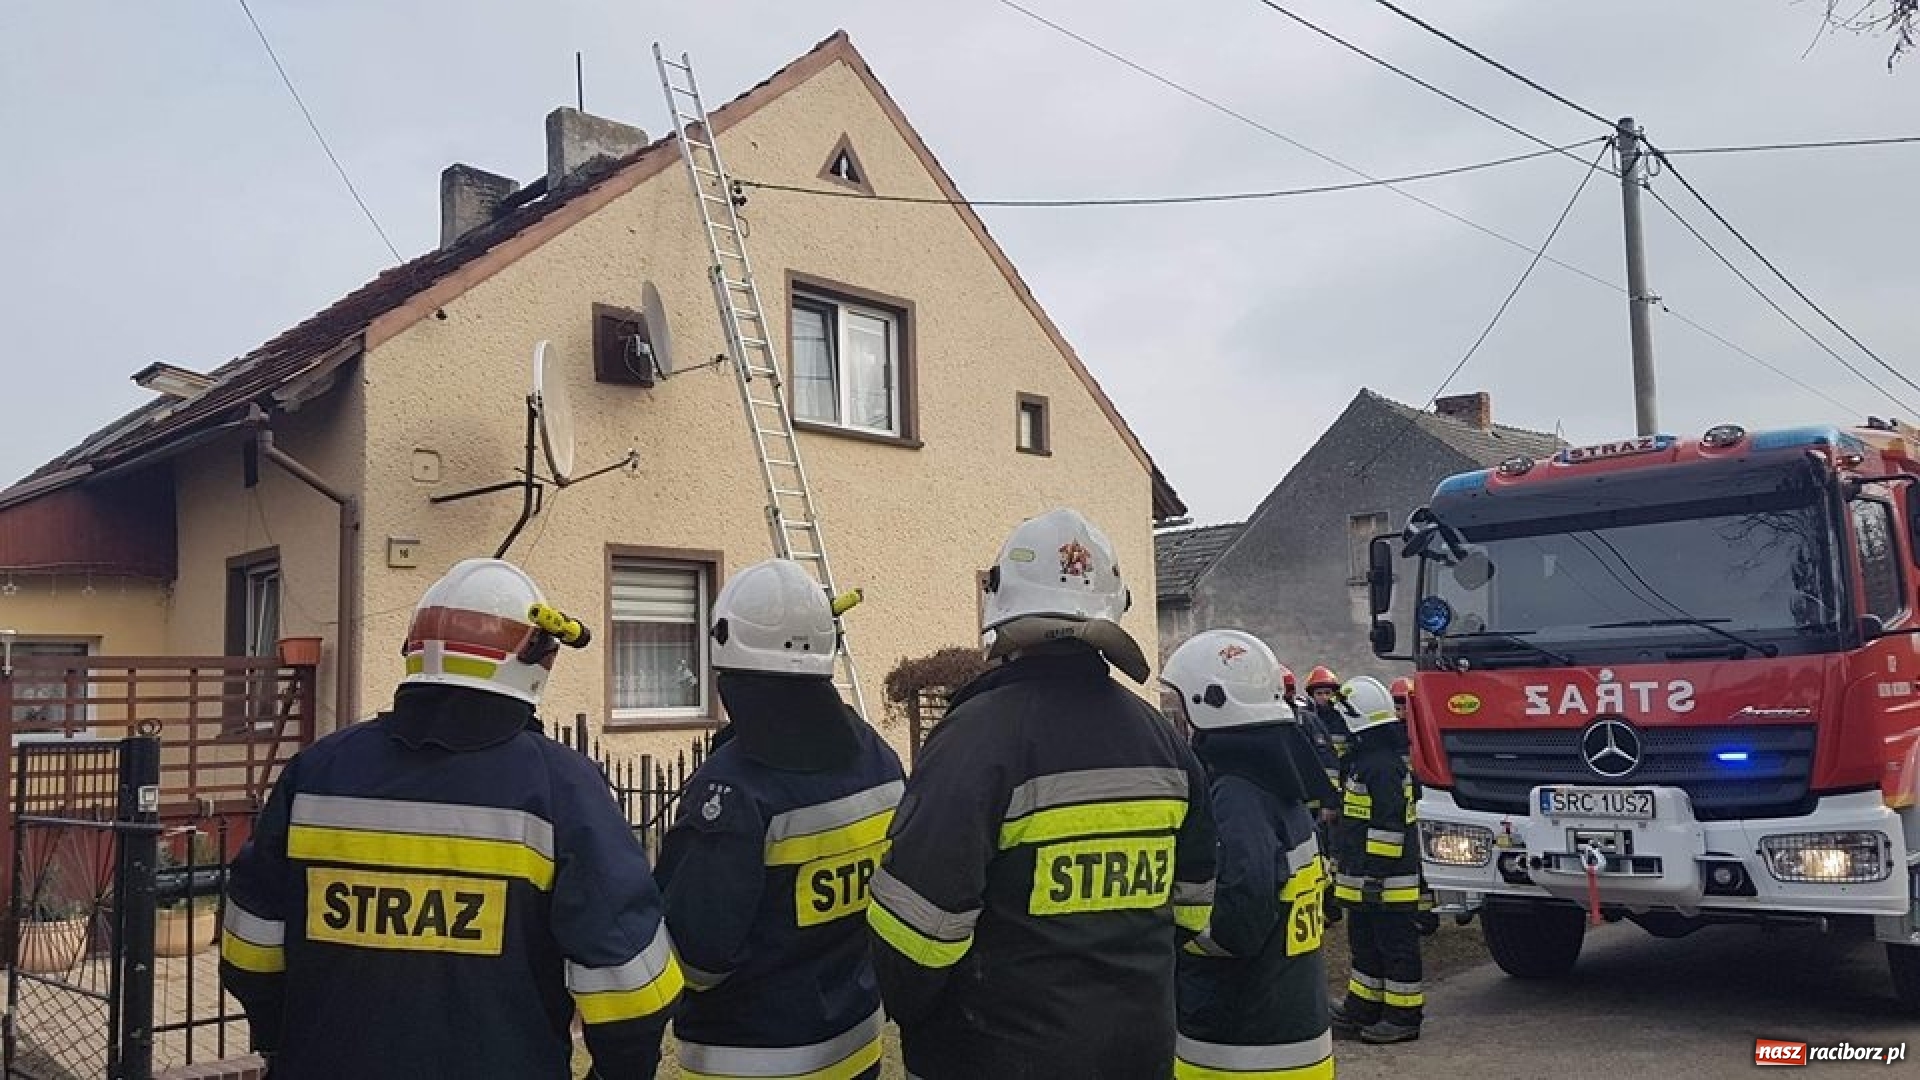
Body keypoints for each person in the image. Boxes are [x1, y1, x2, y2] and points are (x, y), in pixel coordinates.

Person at [220, 558, 681, 1079]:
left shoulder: (318, 770)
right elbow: (629, 986)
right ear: (531, 659)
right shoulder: (560, 787)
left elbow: (251, 949)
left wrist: (282, 1042)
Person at [867, 507, 1218, 1080]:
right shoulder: (1162, 740)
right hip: (1139, 1050)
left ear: (1003, 608)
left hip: (994, 1053)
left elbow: (917, 930)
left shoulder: (975, 738)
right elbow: (1194, 907)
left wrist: (923, 1018)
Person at [654, 559, 905, 1080]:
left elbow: (697, 958)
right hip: (856, 1044)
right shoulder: (879, 758)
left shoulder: (733, 787)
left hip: (748, 1057)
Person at [1161, 630, 1338, 1080]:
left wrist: (1170, 933)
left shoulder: (1237, 795)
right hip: (1294, 1034)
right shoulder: (1282, 787)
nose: (1177, 719)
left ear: (1207, 705)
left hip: (1237, 1048)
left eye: (1179, 706)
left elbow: (1238, 921)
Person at [1327, 675, 1425, 1045]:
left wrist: (1375, 876)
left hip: (1387, 881)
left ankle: (1403, 1016)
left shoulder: (1382, 767)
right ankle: (1363, 1008)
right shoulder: (1365, 762)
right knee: (1364, 944)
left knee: (1395, 946)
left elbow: (1390, 825)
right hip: (1365, 878)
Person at [1390, 677, 1441, 938]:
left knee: (1426, 859)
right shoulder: (1391, 735)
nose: (1400, 713)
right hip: (1405, 807)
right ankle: (1421, 914)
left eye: (1404, 707)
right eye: (1396, 708)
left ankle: (1427, 912)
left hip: (1422, 801)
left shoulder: (1421, 731)